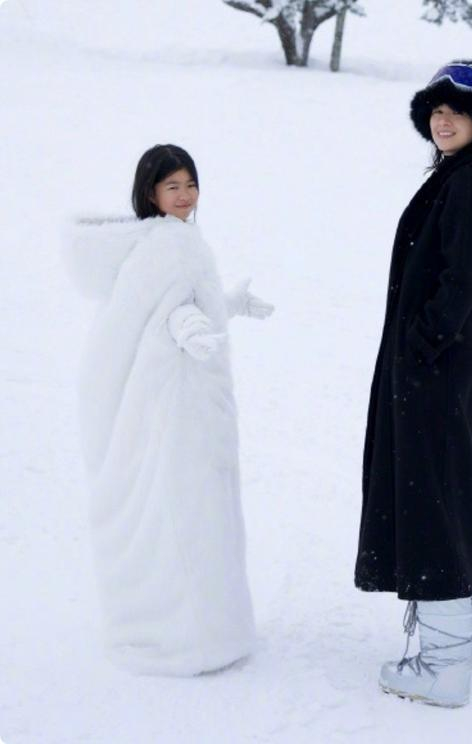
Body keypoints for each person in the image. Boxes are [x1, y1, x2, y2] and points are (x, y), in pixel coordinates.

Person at [65, 144, 274, 676]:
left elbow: (168, 305)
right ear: (150, 193)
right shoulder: (167, 246)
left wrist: (225, 305)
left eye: (190, 184)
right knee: (187, 513)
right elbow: (159, 314)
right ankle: (186, 639)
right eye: (172, 186)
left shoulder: (174, 240)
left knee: (194, 510)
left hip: (189, 403)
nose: (184, 195)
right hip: (177, 408)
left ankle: (199, 630)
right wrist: (187, 325)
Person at [355, 61, 472, 706]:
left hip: (437, 368)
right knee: (452, 488)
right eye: (435, 109)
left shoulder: (468, 184)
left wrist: (419, 349)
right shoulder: (464, 176)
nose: (442, 119)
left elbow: (459, 285)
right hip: (450, 365)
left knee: (429, 501)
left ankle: (444, 667)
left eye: (457, 110)